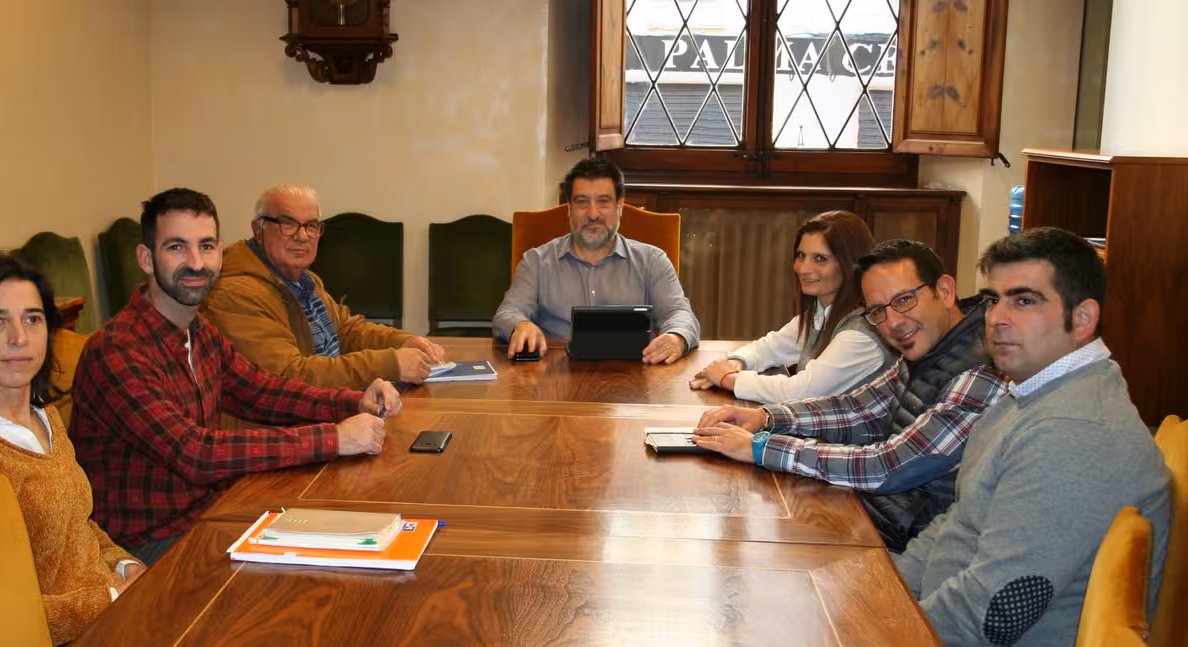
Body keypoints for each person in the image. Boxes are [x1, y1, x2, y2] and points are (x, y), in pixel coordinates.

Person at [895, 227, 1170, 647]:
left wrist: (882, 634)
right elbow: (959, 523)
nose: (997, 318)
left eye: (1024, 300)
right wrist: (883, 594)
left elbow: (996, 612)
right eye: (994, 299)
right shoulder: (1033, 394)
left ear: (1082, 318)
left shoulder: (1073, 431)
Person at [71, 188, 399, 566]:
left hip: (209, 513)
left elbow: (260, 391)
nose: (196, 263)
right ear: (146, 258)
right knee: (317, 567)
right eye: (177, 247)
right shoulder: (117, 350)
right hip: (143, 545)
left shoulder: (200, 331)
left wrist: (353, 401)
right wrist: (335, 438)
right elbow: (197, 453)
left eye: (206, 247)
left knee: (351, 531)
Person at [693, 239, 1007, 551]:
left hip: (912, 549)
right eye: (878, 310)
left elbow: (888, 466)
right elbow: (859, 409)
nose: (893, 322)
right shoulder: (929, 348)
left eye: (904, 300)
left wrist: (762, 447)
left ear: (945, 291)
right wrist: (766, 417)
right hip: (875, 518)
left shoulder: (981, 371)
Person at [0, 253, 143, 646]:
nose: (19, 337)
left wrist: (126, 566)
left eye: (32, 319)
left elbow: (77, 527)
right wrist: (109, 599)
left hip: (105, 618)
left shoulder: (44, 415)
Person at [205, 184, 446, 388]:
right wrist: (390, 364)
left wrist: (403, 342)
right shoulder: (235, 295)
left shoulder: (304, 279)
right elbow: (288, 377)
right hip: (288, 426)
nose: (302, 236)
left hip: (331, 408)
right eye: (288, 224)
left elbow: (346, 331)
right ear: (258, 229)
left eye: (311, 226)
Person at [493, 157, 700, 363]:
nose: (593, 214)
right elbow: (508, 312)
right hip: (555, 374)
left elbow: (680, 314)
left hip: (634, 375)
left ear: (620, 206)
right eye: (582, 202)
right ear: (569, 208)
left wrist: (676, 338)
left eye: (603, 202)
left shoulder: (653, 261)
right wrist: (520, 325)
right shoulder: (536, 261)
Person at [690, 210, 894, 402]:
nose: (803, 268)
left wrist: (727, 378)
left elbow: (802, 392)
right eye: (801, 255)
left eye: (820, 259)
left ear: (851, 264)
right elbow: (770, 347)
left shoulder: (863, 333)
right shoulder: (822, 311)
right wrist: (736, 362)